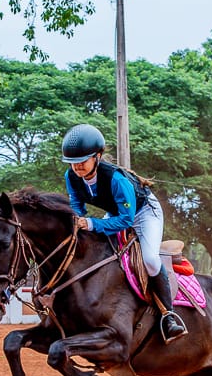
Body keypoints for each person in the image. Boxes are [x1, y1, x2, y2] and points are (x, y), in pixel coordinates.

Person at [62, 123, 186, 343]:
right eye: (73, 163)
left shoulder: (117, 179)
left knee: (149, 258)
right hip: (115, 213)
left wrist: (90, 224)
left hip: (145, 213)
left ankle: (169, 314)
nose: (77, 167)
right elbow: (77, 206)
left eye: (82, 161)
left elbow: (127, 220)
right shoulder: (71, 177)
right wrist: (77, 223)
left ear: (97, 156)